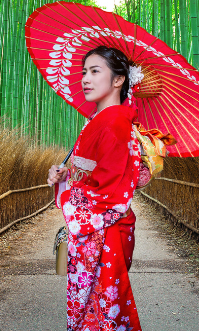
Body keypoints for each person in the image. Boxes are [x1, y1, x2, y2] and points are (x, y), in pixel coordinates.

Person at [47, 46, 143, 331]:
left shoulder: (114, 122)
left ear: (118, 80)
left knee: (102, 312)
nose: (85, 79)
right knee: (99, 312)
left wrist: (68, 193)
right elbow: (90, 174)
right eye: (83, 72)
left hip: (105, 229)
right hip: (97, 228)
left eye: (94, 71)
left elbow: (109, 189)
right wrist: (65, 175)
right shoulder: (98, 120)